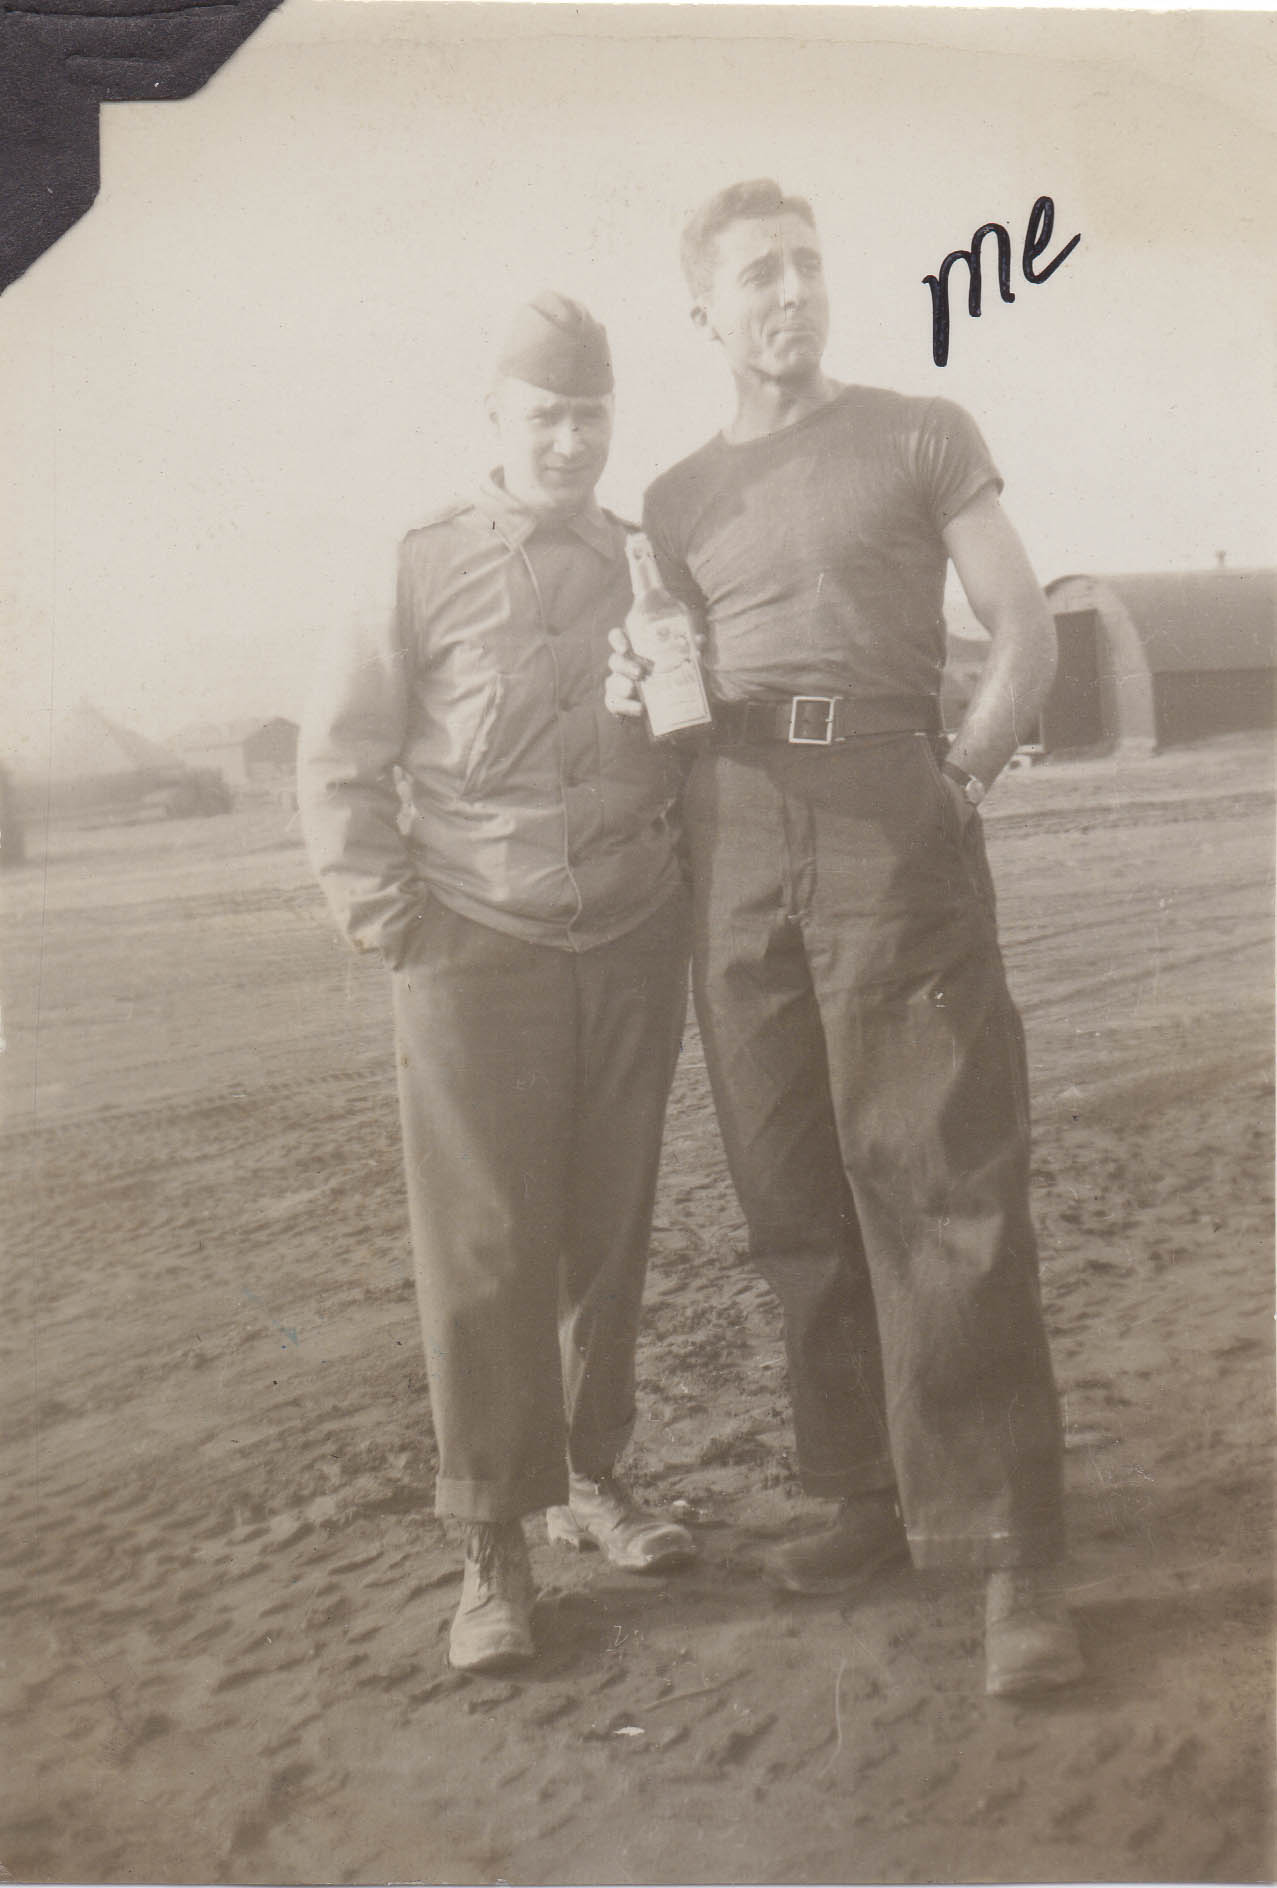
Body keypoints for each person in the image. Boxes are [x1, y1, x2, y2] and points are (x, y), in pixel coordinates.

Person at [606, 180, 1084, 1697]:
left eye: (808, 264)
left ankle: (1009, 1554)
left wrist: (963, 774)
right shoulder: (673, 502)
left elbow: (1025, 627)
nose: (789, 293)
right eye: (756, 274)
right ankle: (863, 1500)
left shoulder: (919, 432)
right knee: (792, 1189)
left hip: (890, 804)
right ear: (704, 311)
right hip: (730, 824)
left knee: (940, 1181)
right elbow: (657, 678)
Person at [298, 292, 696, 1676]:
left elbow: (697, 718)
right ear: (494, 422)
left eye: (589, 415)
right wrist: (391, 920)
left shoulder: (647, 555)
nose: (569, 441)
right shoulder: (417, 562)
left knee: (605, 1233)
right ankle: (491, 1546)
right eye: (544, 416)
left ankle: (596, 1483)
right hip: (475, 946)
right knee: (484, 1257)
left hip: (630, 936)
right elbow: (339, 756)